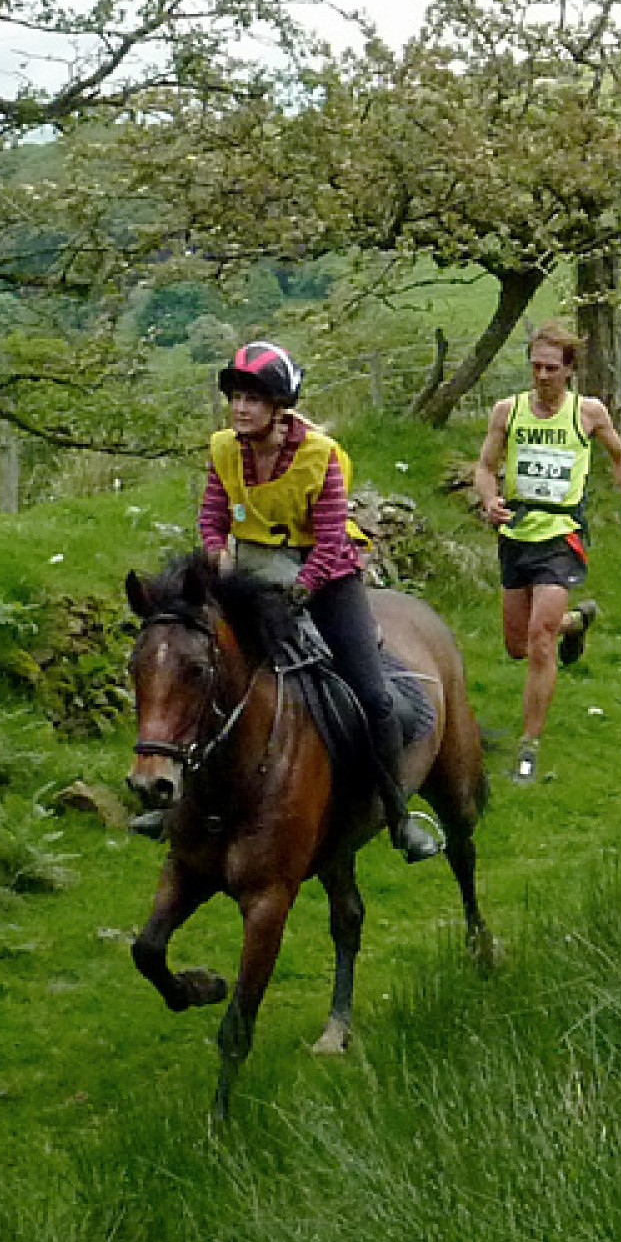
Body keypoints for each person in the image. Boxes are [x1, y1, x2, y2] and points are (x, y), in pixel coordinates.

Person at [193, 339, 443, 861]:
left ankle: (397, 815)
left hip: (325, 578)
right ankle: (179, 802)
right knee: (197, 666)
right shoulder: (222, 449)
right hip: (252, 571)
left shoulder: (321, 457)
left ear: (278, 406)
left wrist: (300, 593)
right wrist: (215, 553)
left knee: (372, 696)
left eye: (254, 399)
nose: (241, 408)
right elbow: (213, 515)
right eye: (236, 397)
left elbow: (331, 541)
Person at [474, 321, 621, 786]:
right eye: (535, 366)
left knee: (537, 640)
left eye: (552, 368)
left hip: (562, 535)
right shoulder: (506, 412)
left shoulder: (587, 413)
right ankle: (575, 624)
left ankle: (528, 745)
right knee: (516, 645)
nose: (542, 376)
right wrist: (489, 500)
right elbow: (486, 467)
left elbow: (620, 457)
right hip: (517, 535)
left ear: (569, 371)